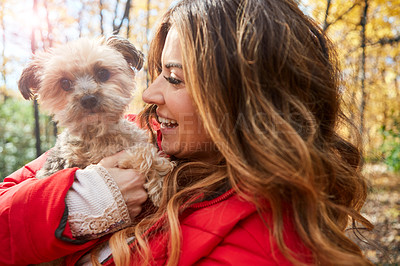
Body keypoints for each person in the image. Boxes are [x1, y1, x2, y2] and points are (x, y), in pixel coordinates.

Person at [0, 0, 373, 265]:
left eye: (175, 78)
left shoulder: (264, 244)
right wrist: (75, 203)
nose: (148, 95)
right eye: (158, 72)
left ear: (244, 100)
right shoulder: (139, 130)